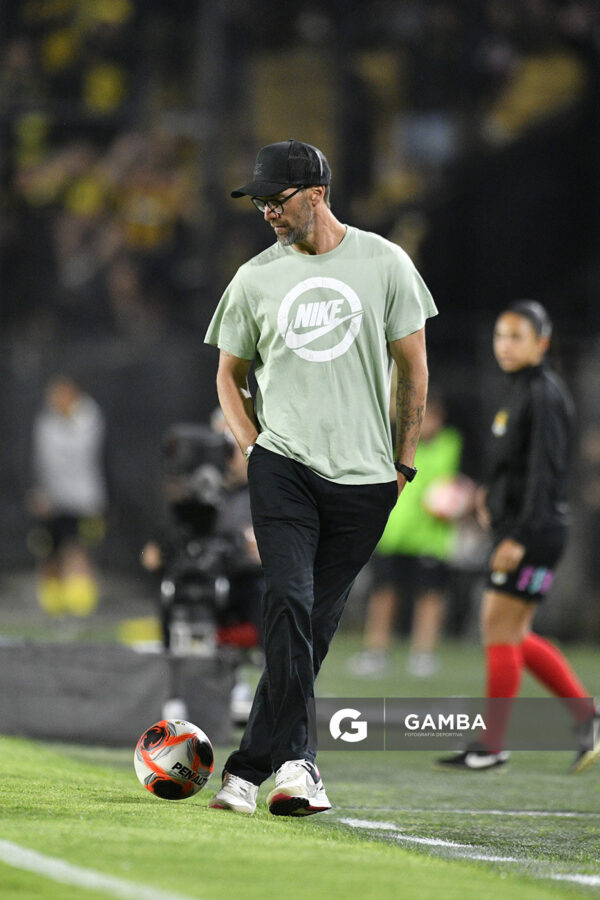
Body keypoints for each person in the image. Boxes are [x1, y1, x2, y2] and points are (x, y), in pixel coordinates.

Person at [204, 139, 437, 816]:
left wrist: (403, 463)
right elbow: (228, 374)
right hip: (283, 466)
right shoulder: (253, 278)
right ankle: (299, 765)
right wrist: (252, 446)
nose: (267, 214)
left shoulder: (386, 263)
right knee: (287, 600)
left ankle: (246, 770)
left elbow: (414, 371)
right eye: (260, 204)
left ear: (315, 194)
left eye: (276, 200)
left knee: (314, 624)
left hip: (368, 480)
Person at [438, 300, 599, 773]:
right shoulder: (521, 391)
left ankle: (492, 745)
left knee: (498, 628)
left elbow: (547, 476)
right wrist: (490, 493)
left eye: (516, 337)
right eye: (500, 336)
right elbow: (517, 464)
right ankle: (585, 717)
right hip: (526, 528)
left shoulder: (545, 394)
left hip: (535, 532)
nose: (504, 346)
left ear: (541, 343)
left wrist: (519, 537)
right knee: (513, 632)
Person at [348, 389, 466, 678]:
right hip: (393, 533)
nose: (424, 422)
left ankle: (423, 654)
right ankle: (376, 652)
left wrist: (457, 501)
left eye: (430, 417)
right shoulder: (394, 442)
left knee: (430, 595)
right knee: (384, 592)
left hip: (432, 538)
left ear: (440, 418)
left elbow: (462, 487)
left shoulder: (452, 445)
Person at [27, 374, 107, 617]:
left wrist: (102, 501)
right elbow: (35, 460)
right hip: (50, 500)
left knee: (78, 549)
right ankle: (51, 607)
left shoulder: (91, 420)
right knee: (47, 551)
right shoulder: (44, 423)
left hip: (84, 500)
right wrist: (36, 491)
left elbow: (103, 461)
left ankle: (81, 607)